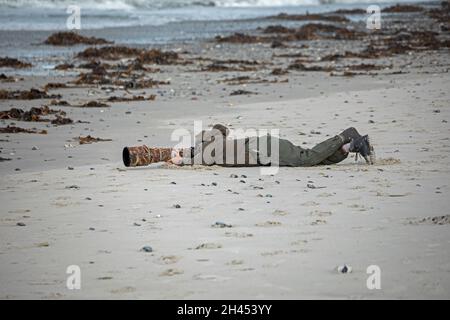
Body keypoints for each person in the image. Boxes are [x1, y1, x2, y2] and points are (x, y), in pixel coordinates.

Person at [122, 124, 375, 168]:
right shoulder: (209, 149)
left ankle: (345, 136)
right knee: (313, 161)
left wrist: (183, 159)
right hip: (262, 151)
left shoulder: (210, 151)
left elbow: (219, 133)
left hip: (263, 148)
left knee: (306, 159)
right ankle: (351, 146)